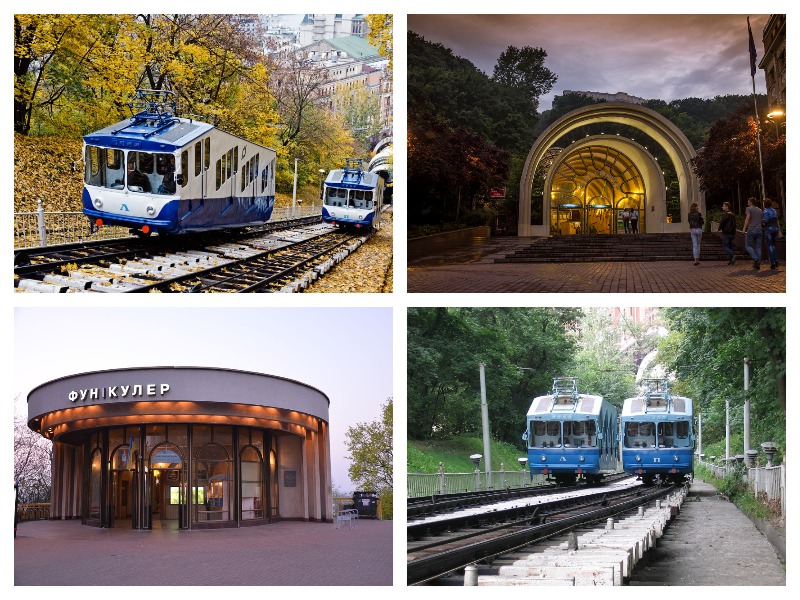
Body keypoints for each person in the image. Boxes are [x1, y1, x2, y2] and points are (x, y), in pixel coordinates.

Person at [742, 197, 763, 270]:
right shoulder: (760, 210)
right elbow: (761, 220)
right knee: (758, 247)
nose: (748, 203)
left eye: (748, 201)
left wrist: (744, 229)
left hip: (751, 229)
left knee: (748, 246)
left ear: (751, 202)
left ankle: (755, 258)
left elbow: (747, 219)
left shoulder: (749, 209)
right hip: (759, 229)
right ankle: (758, 263)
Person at [762, 197, 780, 270]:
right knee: (773, 245)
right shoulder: (774, 210)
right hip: (775, 228)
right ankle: (776, 260)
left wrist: (762, 220)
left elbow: (766, 220)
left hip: (769, 229)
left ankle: (773, 263)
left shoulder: (765, 211)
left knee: (769, 246)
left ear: (765, 204)